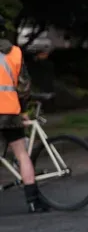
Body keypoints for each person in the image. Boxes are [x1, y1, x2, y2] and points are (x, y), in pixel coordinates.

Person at [0, 16, 49, 213]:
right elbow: (24, 87)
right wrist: (21, 110)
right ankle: (33, 201)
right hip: (11, 112)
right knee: (21, 154)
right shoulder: (15, 53)